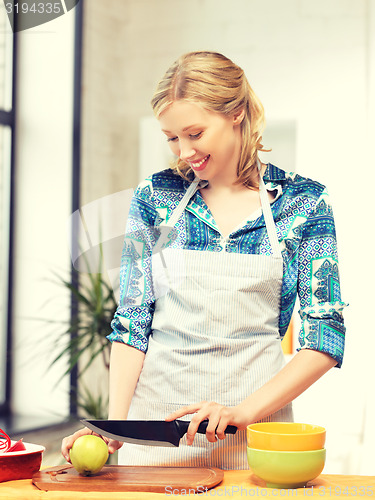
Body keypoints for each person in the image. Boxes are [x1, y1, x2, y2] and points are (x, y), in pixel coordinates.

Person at [62, 51, 346, 469]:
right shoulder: (156, 197)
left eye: (195, 133)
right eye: (172, 138)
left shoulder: (304, 203)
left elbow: (325, 336)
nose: (184, 151)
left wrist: (242, 413)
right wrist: (114, 426)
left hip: (253, 438)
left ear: (236, 113)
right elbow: (133, 320)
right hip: (155, 438)